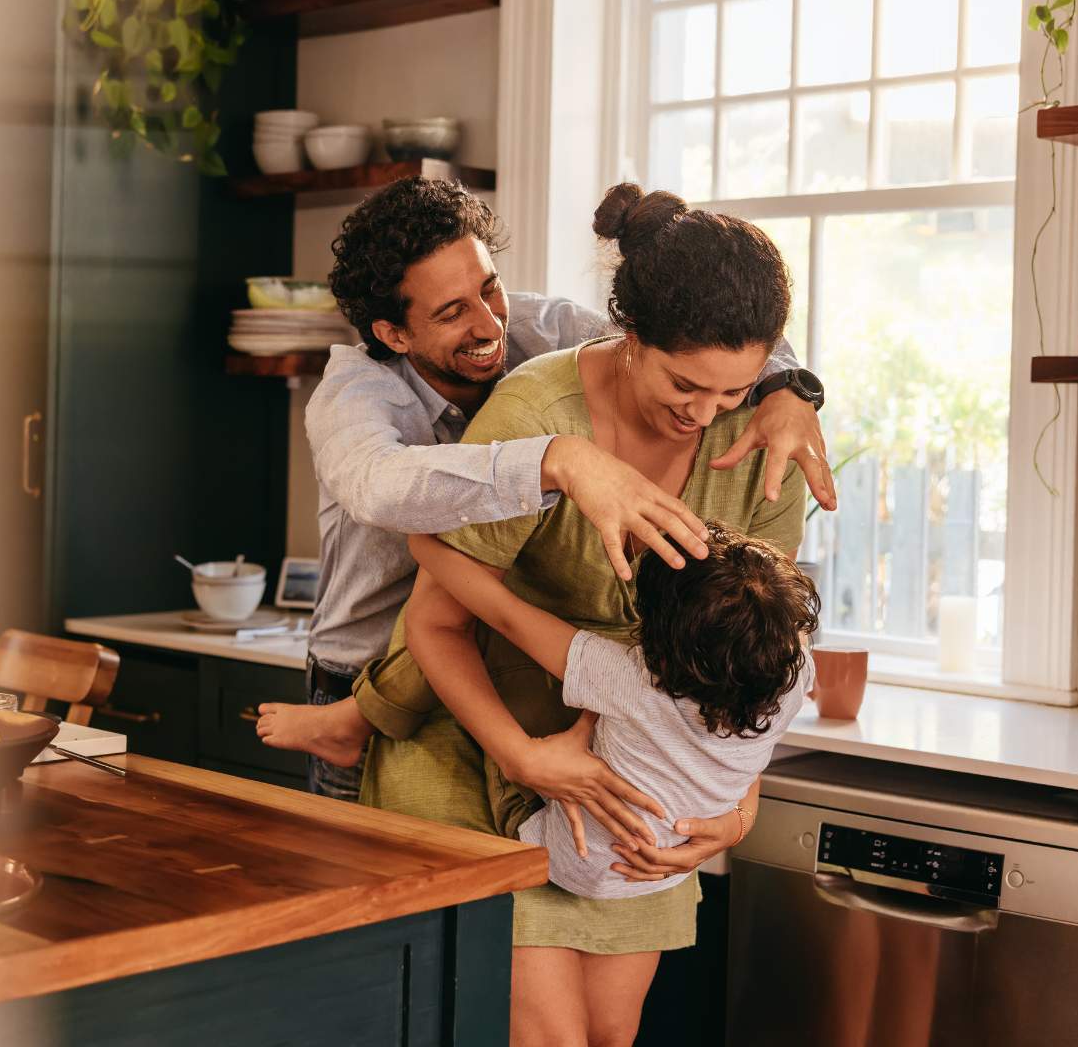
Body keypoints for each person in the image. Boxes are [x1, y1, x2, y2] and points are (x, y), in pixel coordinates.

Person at [330, 182, 811, 1046]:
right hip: (477, 752)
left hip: (632, 791)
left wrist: (736, 807)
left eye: (737, 391)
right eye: (686, 384)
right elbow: (436, 619)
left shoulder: (764, 447)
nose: (705, 415)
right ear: (629, 338)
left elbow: (762, 666)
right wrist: (525, 756)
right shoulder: (533, 410)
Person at [257, 178, 833, 819]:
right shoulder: (354, 395)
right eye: (451, 313)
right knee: (364, 903)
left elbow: (702, 320)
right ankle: (351, 720)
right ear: (393, 333)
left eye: (489, 286)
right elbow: (380, 489)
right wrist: (558, 460)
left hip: (489, 647)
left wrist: (787, 388)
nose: (489, 322)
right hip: (366, 658)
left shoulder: (543, 328)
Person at [404, 520, 817, 901]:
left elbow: (505, 615)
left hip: (561, 855)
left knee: (499, 649)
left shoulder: (629, 678)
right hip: (665, 866)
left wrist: (422, 543)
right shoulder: (794, 679)